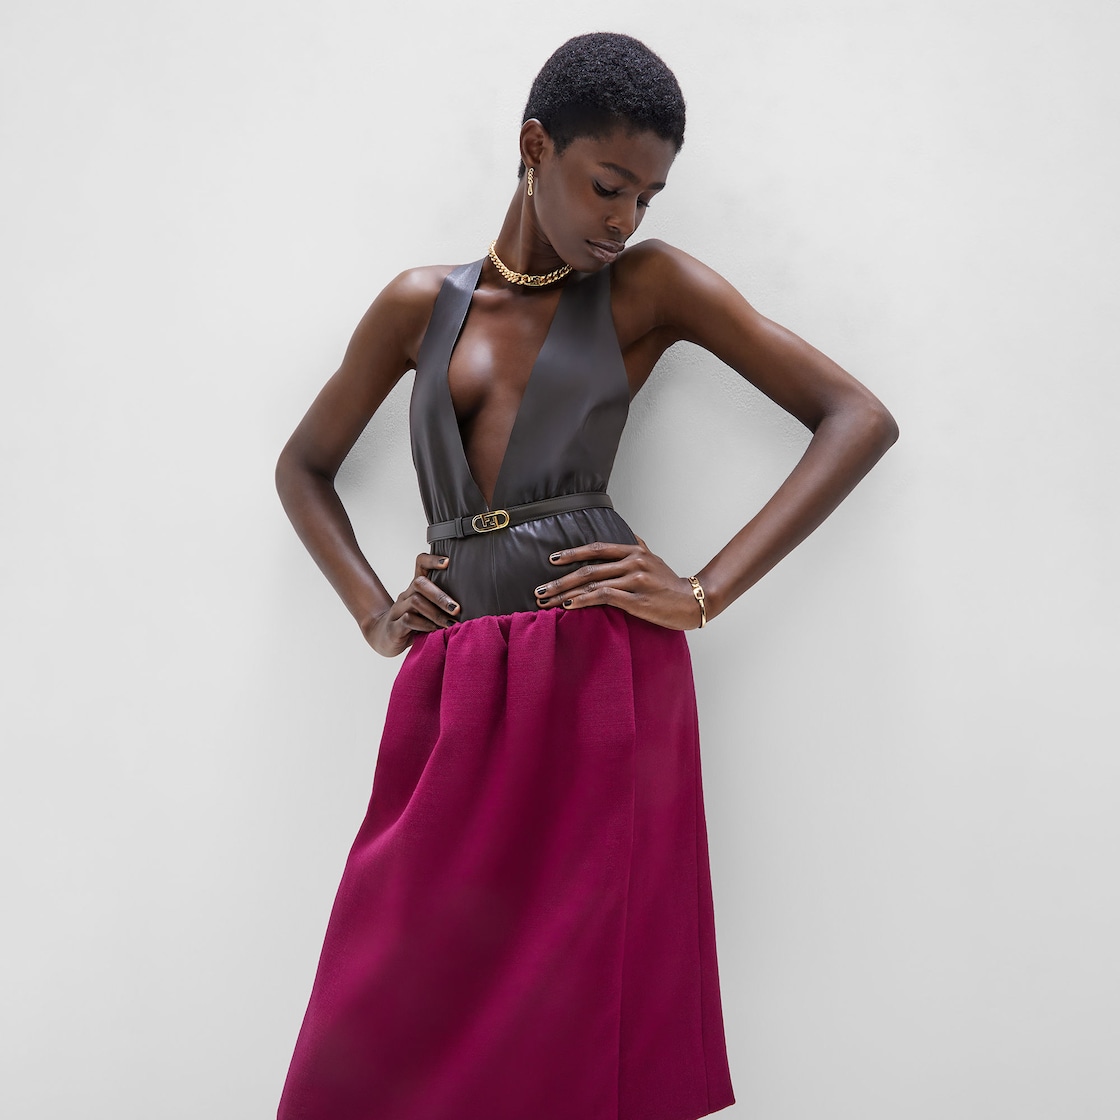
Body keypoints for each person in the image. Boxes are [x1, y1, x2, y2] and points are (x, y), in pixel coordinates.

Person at [274, 31, 897, 1120]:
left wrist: (701, 592)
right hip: (457, 673)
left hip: (596, 667)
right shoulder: (418, 305)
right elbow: (303, 468)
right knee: (393, 975)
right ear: (535, 147)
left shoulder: (647, 287)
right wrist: (375, 614)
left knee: (575, 993)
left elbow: (856, 418)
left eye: (646, 198)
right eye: (608, 186)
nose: (625, 221)